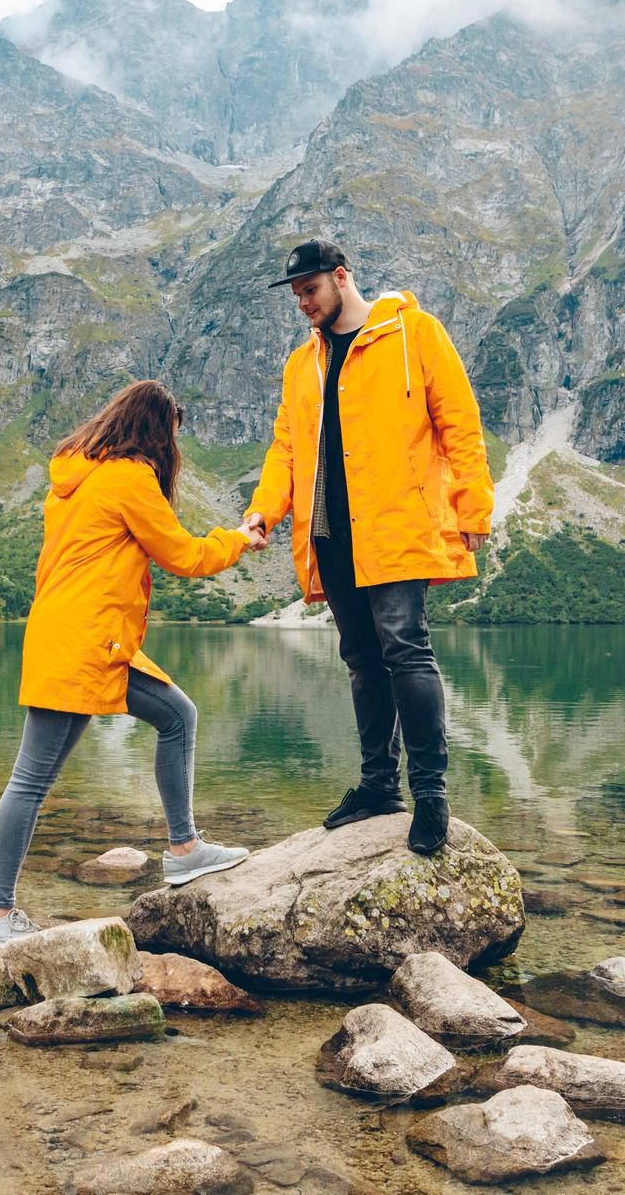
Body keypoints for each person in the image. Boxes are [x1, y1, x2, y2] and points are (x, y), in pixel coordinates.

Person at [0, 380, 264, 947]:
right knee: (169, 720)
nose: (173, 449)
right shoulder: (129, 477)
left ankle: (0, 912)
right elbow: (183, 554)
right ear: (157, 430)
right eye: (173, 436)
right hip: (90, 643)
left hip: (60, 637)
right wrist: (238, 540)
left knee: (34, 777)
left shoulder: (73, 479)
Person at [242, 238, 494, 856]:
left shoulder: (414, 333)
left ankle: (431, 795)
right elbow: (286, 449)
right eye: (297, 295)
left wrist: (474, 505)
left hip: (394, 520)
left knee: (405, 647)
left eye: (311, 291)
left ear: (342, 278)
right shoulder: (301, 364)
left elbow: (459, 421)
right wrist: (265, 508)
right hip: (330, 528)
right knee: (359, 656)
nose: (303, 304)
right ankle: (379, 785)